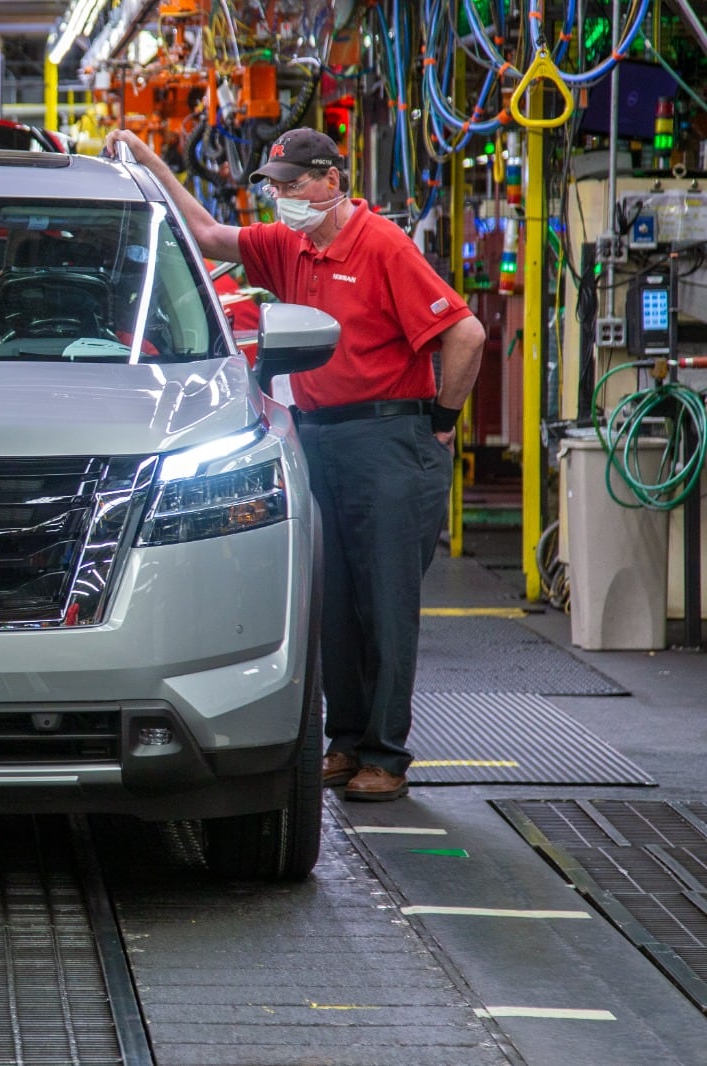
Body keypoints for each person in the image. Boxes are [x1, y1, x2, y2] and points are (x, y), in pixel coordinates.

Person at [105, 126, 486, 802]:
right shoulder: (291, 246)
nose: (280, 197)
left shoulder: (381, 245)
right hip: (318, 438)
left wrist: (442, 425)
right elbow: (206, 232)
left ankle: (386, 756)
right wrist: (148, 158)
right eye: (274, 187)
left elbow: (466, 333)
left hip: (386, 440)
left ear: (331, 180)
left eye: (292, 185)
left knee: (385, 603)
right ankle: (345, 742)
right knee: (333, 598)